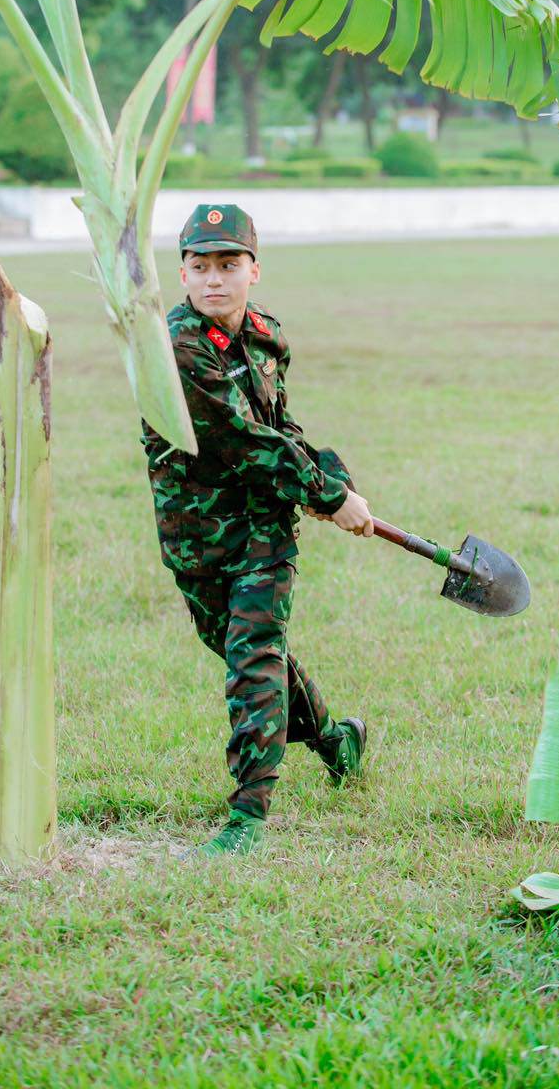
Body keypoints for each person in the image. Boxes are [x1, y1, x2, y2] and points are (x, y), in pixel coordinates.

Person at [139, 203, 374, 858]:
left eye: (229, 264)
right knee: (248, 654)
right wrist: (326, 491)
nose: (215, 279)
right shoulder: (173, 347)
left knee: (253, 663)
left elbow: (278, 426)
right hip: (196, 535)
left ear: (254, 270)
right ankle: (335, 739)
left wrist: (332, 484)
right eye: (200, 266)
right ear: (181, 274)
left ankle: (248, 817)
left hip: (264, 532)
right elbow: (239, 440)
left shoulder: (269, 339)